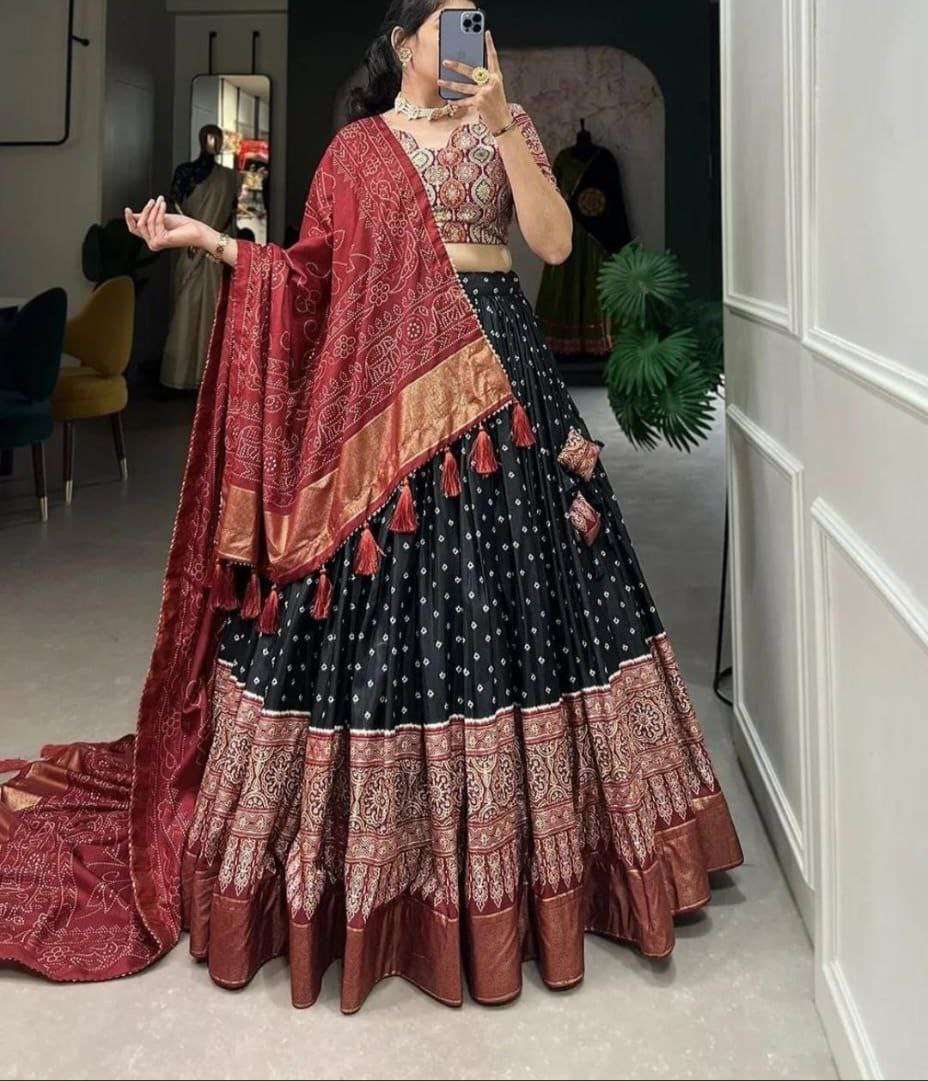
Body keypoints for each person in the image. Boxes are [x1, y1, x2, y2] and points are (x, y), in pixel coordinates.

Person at [0, 1, 741, 1015]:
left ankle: (541, 865)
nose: (471, 37)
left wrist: (504, 120)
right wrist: (211, 242)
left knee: (525, 606)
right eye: (450, 22)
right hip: (384, 402)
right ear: (403, 43)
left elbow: (557, 243)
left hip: (501, 378)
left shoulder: (507, 123)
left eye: (479, 22)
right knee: (393, 615)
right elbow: (311, 278)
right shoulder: (356, 151)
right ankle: (379, 870)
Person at [160, 123, 238, 390]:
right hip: (190, 251)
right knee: (186, 311)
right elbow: (174, 206)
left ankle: (212, 378)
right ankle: (179, 377)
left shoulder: (229, 177)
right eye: (208, 138)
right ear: (200, 139)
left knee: (215, 312)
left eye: (217, 138)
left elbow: (230, 215)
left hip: (216, 253)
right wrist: (192, 237)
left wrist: (214, 242)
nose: (213, 142)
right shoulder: (185, 172)